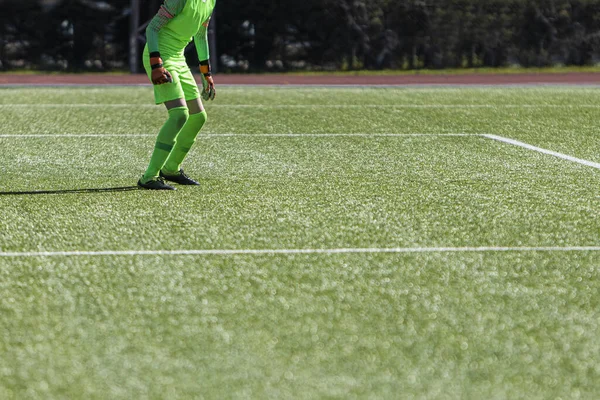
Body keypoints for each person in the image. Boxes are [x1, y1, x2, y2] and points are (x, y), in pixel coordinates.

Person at [138, 0, 217, 190]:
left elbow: (200, 34)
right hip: (161, 56)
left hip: (178, 58)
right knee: (180, 114)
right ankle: (149, 177)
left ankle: (171, 169)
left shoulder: (210, 1)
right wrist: (157, 64)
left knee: (198, 116)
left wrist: (206, 72)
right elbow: (152, 29)